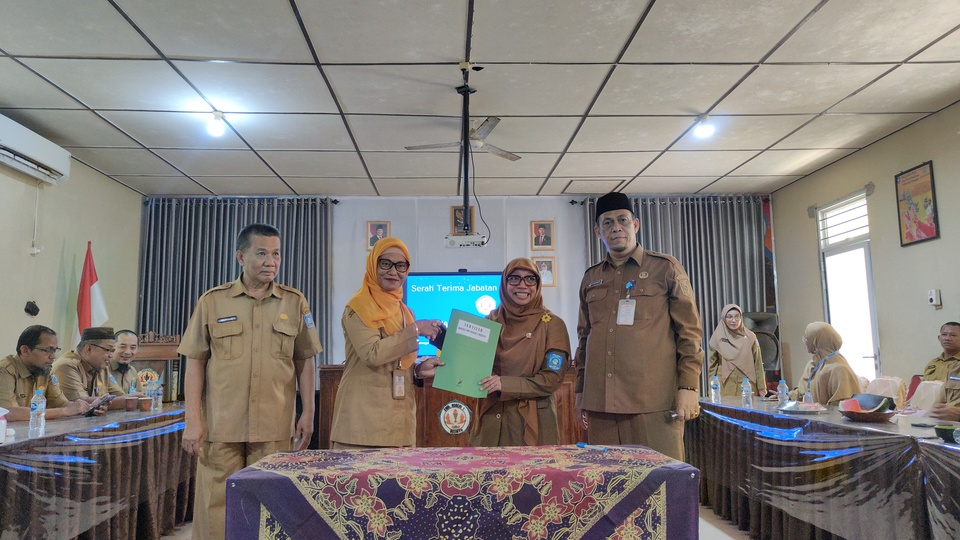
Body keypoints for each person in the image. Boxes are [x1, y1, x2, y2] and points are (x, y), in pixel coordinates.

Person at [178, 223, 322, 540]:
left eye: (276, 254)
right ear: (241, 257)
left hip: (274, 425)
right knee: (216, 508)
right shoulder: (212, 302)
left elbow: (305, 360)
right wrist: (193, 419)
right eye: (262, 254)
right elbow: (195, 362)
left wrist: (308, 412)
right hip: (221, 426)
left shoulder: (294, 302)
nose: (271, 262)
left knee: (272, 506)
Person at [575, 192, 703, 461]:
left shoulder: (665, 268)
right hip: (601, 406)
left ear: (635, 224)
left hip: (653, 404)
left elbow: (689, 332)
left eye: (622, 220)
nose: (616, 227)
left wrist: (689, 387)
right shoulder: (591, 277)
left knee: (661, 479)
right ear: (598, 232)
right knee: (608, 480)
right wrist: (580, 394)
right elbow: (585, 339)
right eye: (607, 223)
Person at [330, 238, 443, 449]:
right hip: (363, 425)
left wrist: (418, 370)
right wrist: (416, 330)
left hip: (400, 425)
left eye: (401, 266)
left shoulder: (405, 312)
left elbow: (397, 361)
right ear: (373, 265)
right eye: (385, 264)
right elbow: (373, 354)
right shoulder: (358, 307)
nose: (393, 271)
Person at [471, 258, 571, 447]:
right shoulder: (489, 322)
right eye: (514, 278)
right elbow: (470, 360)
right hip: (491, 420)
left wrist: (505, 384)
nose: (522, 285)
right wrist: (440, 337)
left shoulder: (552, 325)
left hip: (531, 424)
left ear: (538, 284)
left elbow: (551, 379)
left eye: (530, 279)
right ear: (504, 283)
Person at [0, 325, 96, 421]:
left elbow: (60, 403)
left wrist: (87, 408)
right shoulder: (5, 370)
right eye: (48, 350)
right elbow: (7, 413)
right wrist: (64, 411)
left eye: (55, 350)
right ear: (25, 350)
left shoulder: (45, 370)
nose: (53, 356)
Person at [52, 326, 129, 410]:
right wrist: (133, 400)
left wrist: (136, 398)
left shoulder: (101, 366)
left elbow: (119, 395)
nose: (111, 356)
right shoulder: (66, 366)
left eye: (113, 351)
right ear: (89, 349)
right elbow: (81, 402)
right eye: (107, 350)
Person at [787, 322, 860, 406]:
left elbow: (841, 406)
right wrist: (786, 396)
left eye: (807, 338)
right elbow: (803, 392)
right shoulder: (813, 364)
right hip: (812, 413)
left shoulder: (839, 369)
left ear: (816, 342)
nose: (805, 341)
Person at [707, 304, 767, 397]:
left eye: (737, 317)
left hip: (747, 385)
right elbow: (712, 366)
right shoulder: (717, 338)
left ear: (741, 318)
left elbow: (758, 363)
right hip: (725, 386)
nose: (733, 320)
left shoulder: (750, 337)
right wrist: (711, 387)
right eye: (729, 317)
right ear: (724, 318)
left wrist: (761, 387)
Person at [110, 329, 144, 394]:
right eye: (122, 347)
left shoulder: (132, 371)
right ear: (112, 347)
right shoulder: (103, 370)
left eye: (133, 348)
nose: (127, 352)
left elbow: (140, 395)